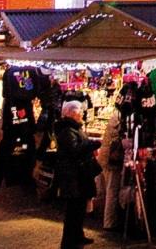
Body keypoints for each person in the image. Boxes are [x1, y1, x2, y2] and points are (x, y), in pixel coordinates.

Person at [53, 99, 102, 249]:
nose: (81, 114)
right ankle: (69, 241)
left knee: (79, 208)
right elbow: (74, 150)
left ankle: (78, 236)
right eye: (79, 112)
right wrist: (92, 144)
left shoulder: (73, 128)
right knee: (73, 210)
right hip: (74, 175)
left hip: (79, 174)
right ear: (72, 113)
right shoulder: (68, 130)